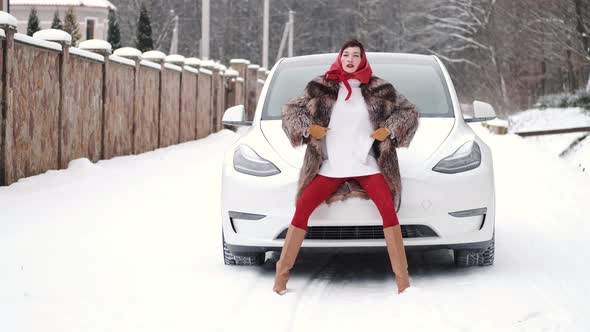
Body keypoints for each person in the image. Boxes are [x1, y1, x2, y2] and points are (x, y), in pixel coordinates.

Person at [274, 39, 419, 295]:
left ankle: (403, 283)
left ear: (362, 59)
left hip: (367, 164)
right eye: (346, 55)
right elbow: (290, 110)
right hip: (331, 166)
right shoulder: (320, 86)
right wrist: (308, 128)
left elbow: (408, 111)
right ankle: (280, 280)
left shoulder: (380, 88)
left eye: (355, 55)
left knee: (388, 210)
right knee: (302, 209)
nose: (350, 60)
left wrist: (390, 128)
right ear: (340, 58)